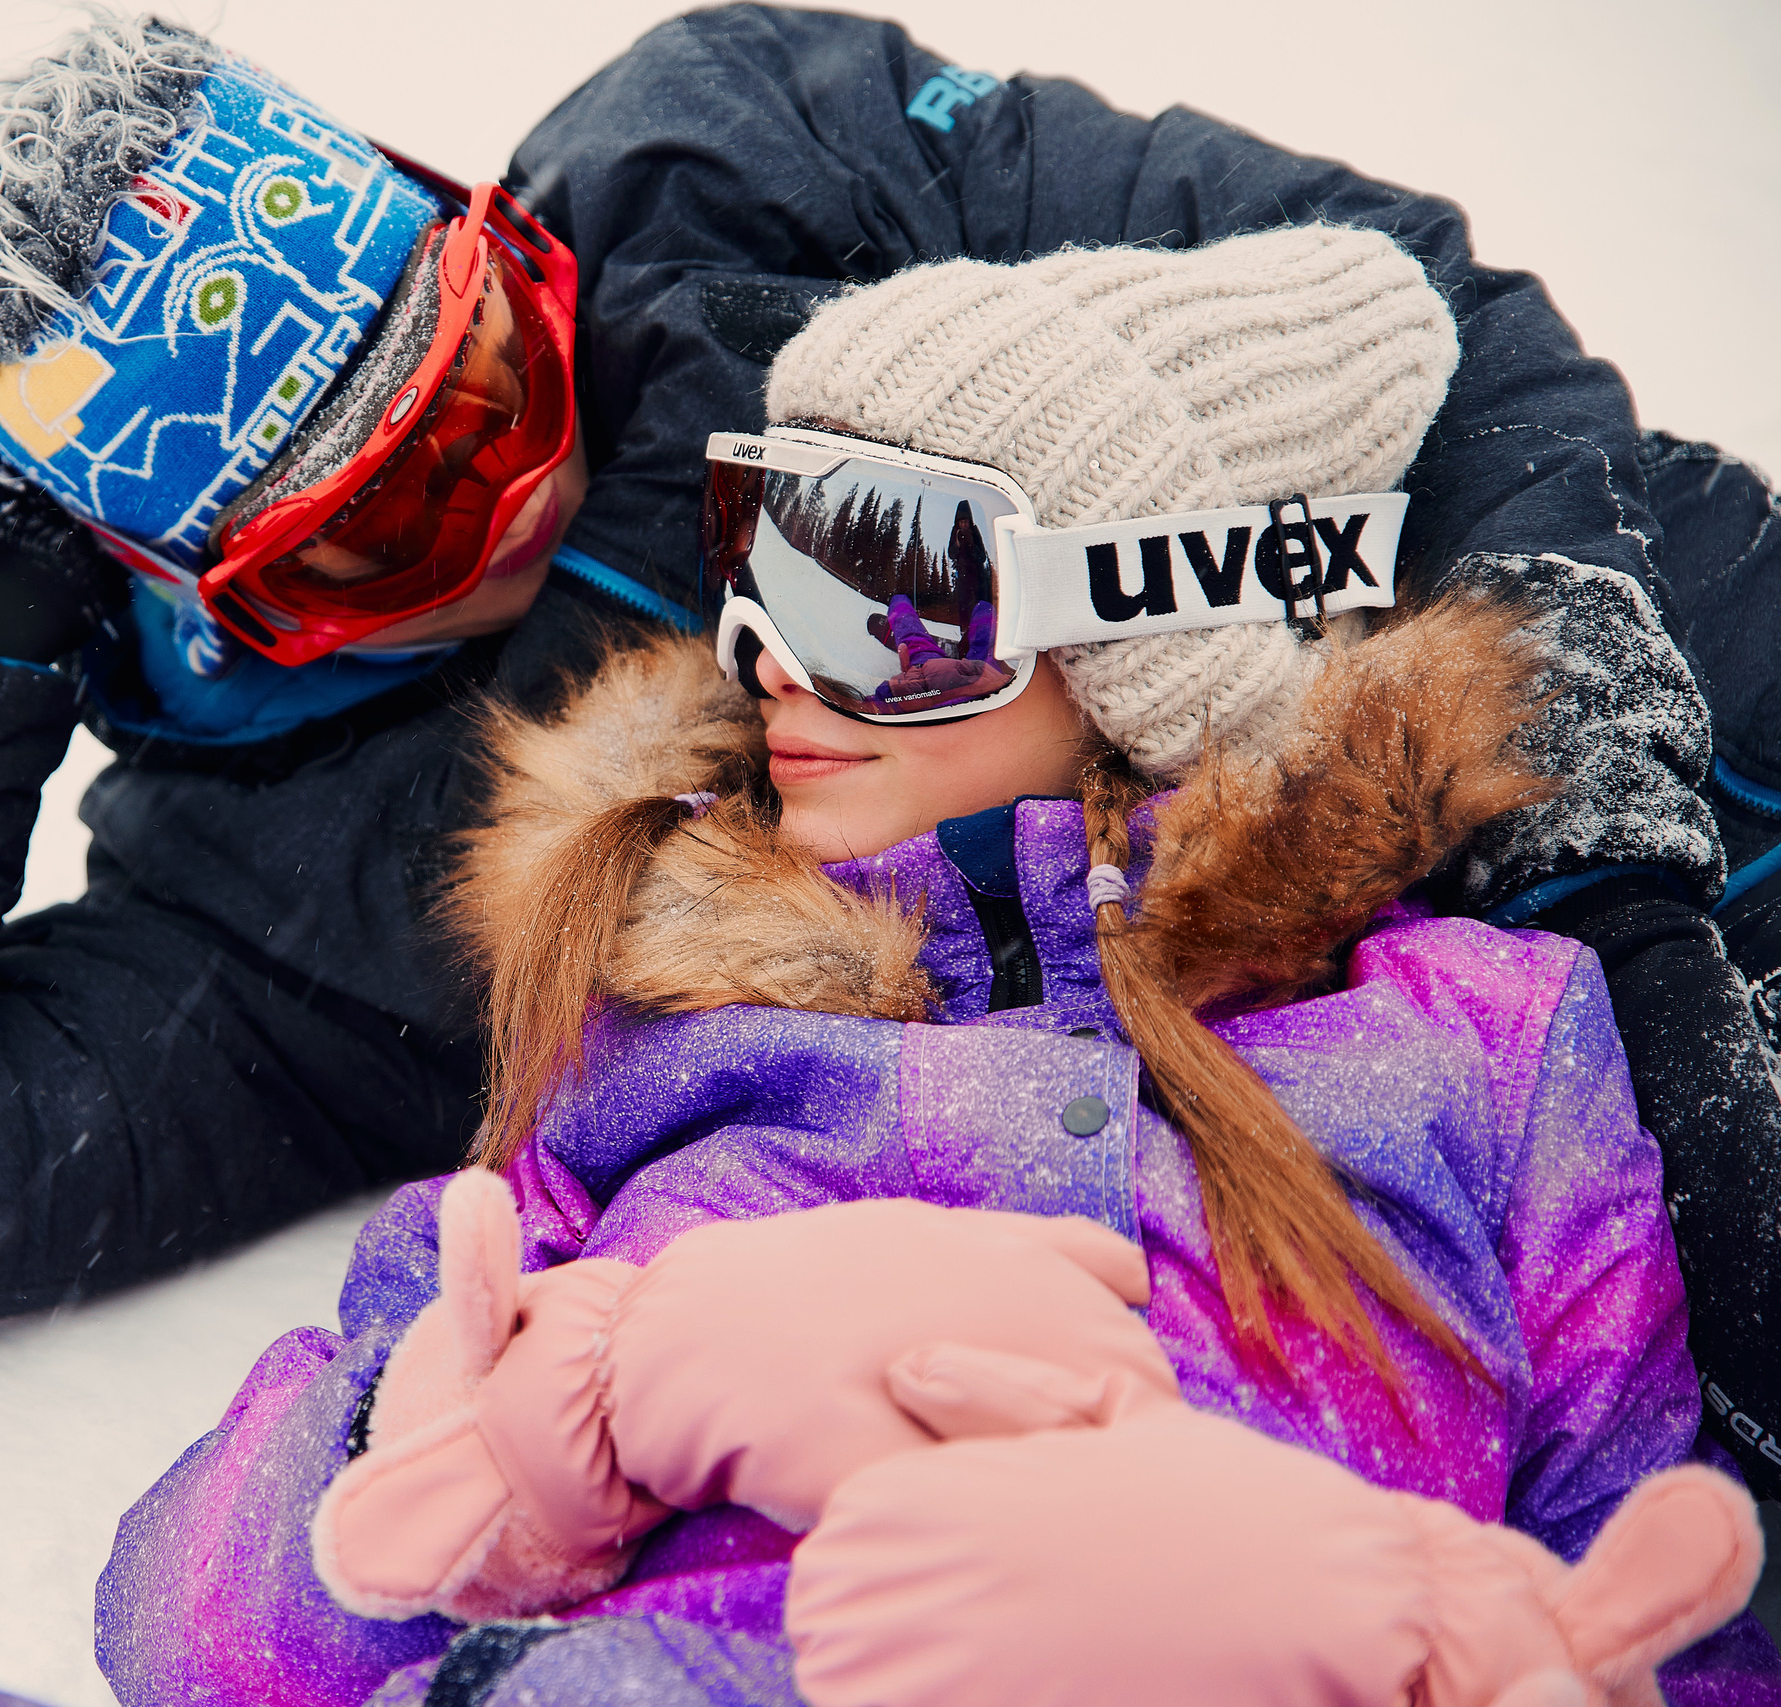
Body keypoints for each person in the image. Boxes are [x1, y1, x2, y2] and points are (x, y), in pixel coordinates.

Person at [0, 4, 1781, 1489]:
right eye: (396, 514)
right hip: (1362, 1152)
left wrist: (1601, 865)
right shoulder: (268, 895)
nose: (517, 490)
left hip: (1574, 692)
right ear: (226, 590)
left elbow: (1414, 318)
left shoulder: (726, 157)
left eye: (494, 369)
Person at [92, 228, 1779, 1707]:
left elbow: (1673, 1618)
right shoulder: (650, 1029)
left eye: (881, 582)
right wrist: (528, 1420)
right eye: (762, 559)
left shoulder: (1480, 1047)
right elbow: (193, 1638)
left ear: (1153, 632)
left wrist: (1405, 1651)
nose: (775, 660)